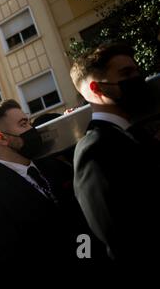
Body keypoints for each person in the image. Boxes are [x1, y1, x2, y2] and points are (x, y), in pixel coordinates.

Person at [0, 99, 95, 267]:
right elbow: (7, 260)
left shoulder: (51, 164)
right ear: (1, 138)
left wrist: (87, 255)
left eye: (28, 122)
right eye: (23, 125)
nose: (32, 129)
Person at [69, 42, 160, 261]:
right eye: (126, 74)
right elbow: (117, 237)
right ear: (97, 88)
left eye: (137, 71)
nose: (137, 79)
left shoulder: (139, 135)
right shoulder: (93, 150)